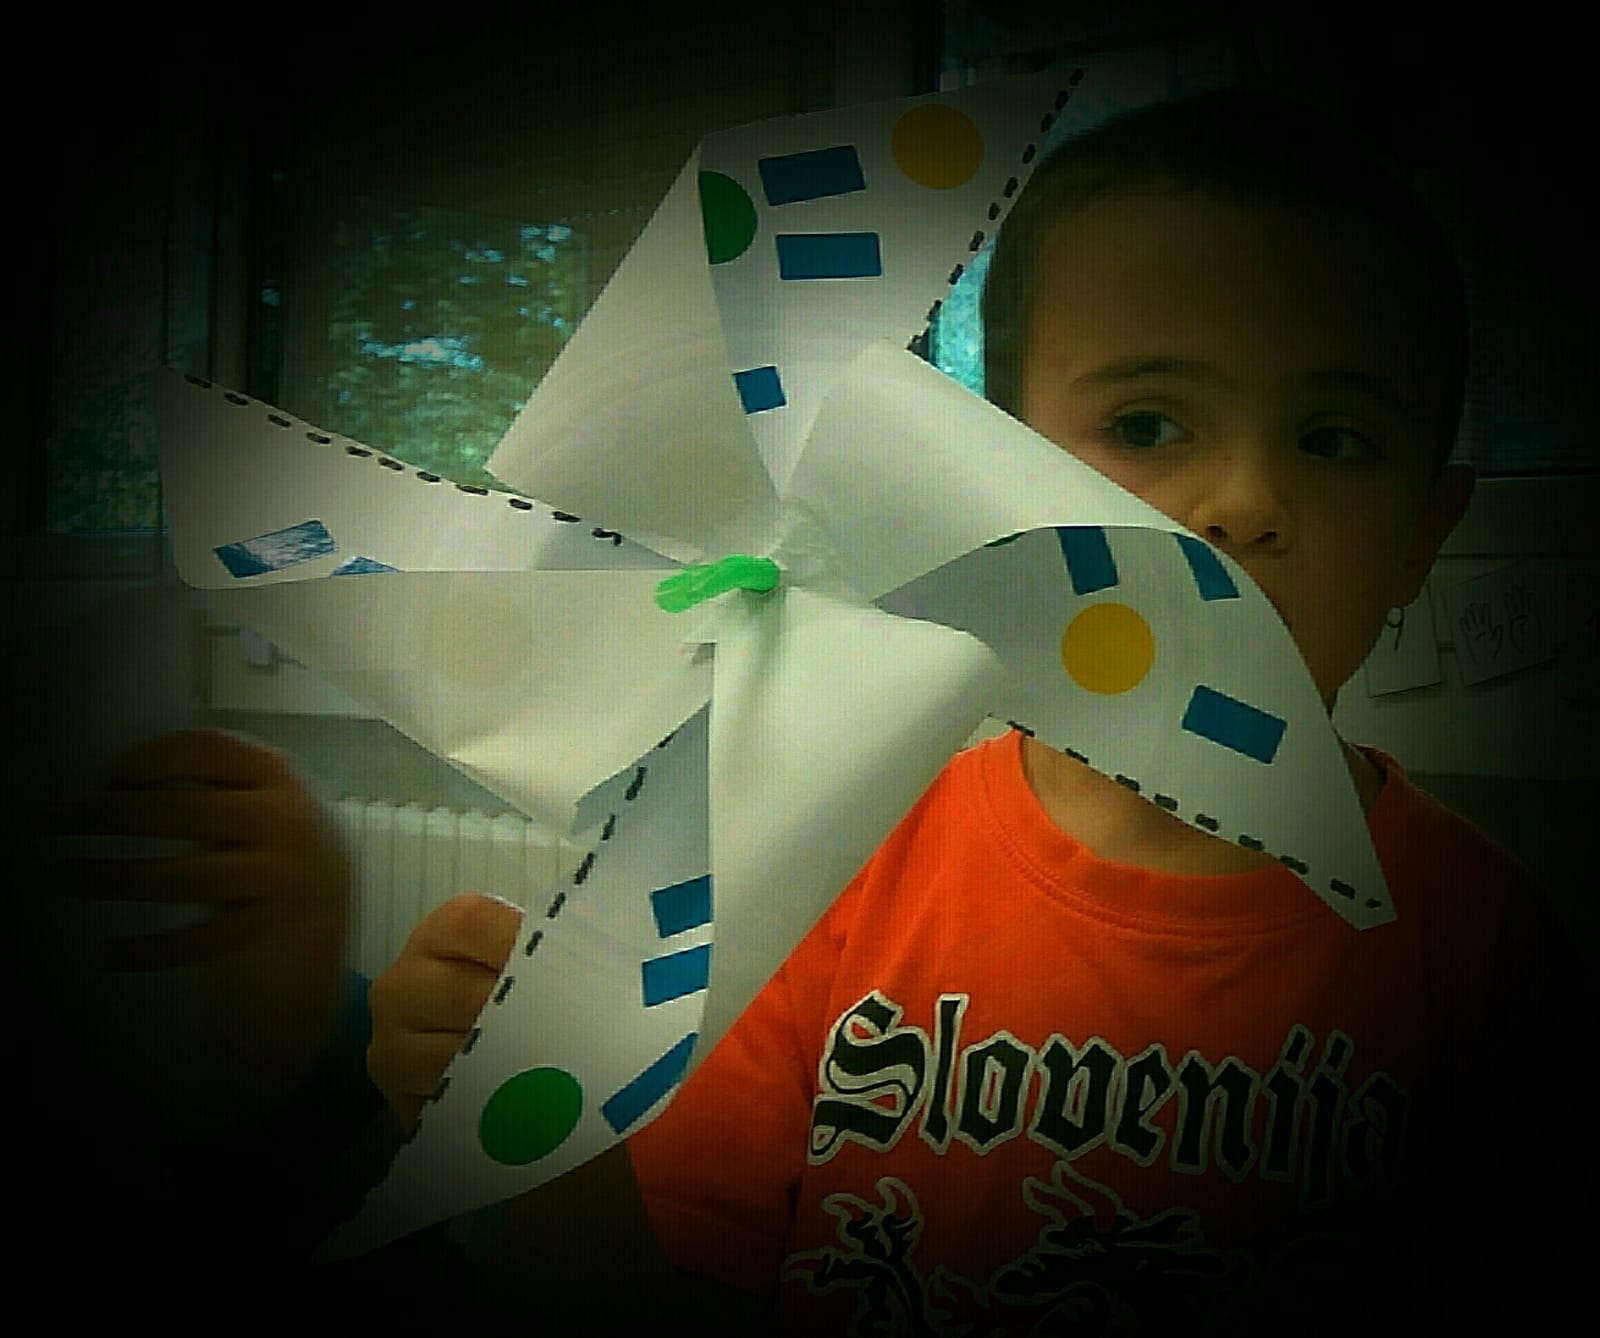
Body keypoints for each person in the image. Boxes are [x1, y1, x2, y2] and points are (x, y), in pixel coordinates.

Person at [363, 89, 1588, 1331]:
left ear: (1424, 534)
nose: (1243, 498)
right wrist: (545, 1147)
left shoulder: (1492, 957)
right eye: (1146, 423)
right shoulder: (828, 863)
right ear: (986, 473)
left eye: (1334, 440)